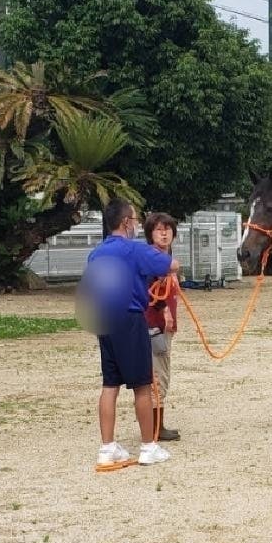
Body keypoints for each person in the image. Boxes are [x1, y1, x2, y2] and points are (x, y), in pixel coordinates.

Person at [82, 198, 181, 468]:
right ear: (126, 222)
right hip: (130, 318)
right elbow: (170, 265)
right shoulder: (134, 249)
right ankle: (149, 446)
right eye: (135, 219)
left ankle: (107, 448)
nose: (137, 224)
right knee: (142, 385)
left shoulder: (96, 254)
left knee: (109, 385)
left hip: (104, 319)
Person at [143, 212, 182, 442]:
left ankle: (156, 425)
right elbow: (150, 292)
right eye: (159, 229)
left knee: (160, 373)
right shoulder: (153, 260)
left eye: (167, 229)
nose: (164, 233)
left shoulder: (166, 260)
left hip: (164, 327)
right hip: (155, 325)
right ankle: (155, 428)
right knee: (158, 376)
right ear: (151, 234)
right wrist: (163, 309)